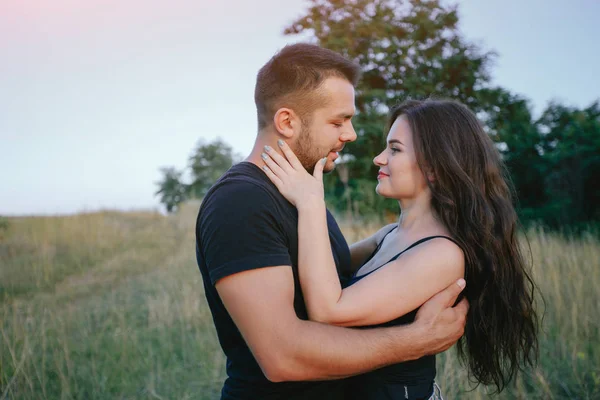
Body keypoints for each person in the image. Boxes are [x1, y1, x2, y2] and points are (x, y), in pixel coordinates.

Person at [195, 44, 469, 400]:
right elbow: (283, 357)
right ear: (287, 121)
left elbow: (340, 274)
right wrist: (415, 341)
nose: (351, 134)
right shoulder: (240, 202)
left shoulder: (302, 192)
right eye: (338, 121)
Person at [260, 98, 539, 399]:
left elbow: (328, 309)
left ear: (434, 169)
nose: (379, 159)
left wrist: (312, 203)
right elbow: (326, 266)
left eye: (394, 149)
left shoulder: (441, 254)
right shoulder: (390, 234)